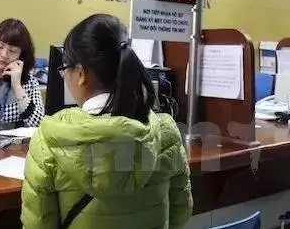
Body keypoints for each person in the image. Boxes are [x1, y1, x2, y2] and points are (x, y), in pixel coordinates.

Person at [21, 14, 192, 229]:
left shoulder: (49, 141)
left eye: (65, 70)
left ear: (81, 73)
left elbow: (38, 224)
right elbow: (180, 213)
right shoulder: (166, 132)